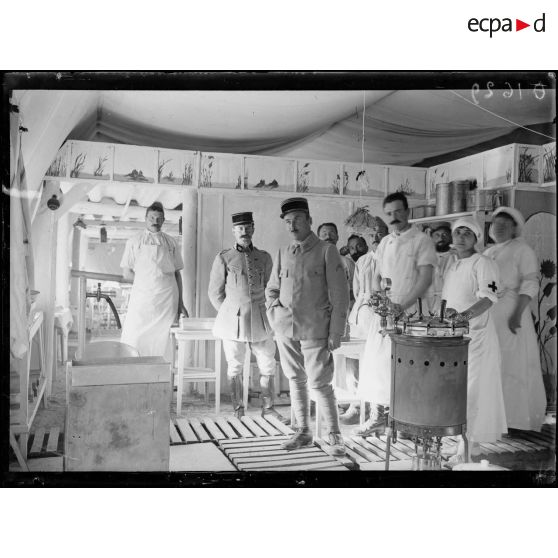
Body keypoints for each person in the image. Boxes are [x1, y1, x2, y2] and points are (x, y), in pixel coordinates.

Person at [266, 197, 350, 456]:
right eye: (288, 222)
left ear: (309, 220)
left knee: (319, 382)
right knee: (295, 379)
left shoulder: (327, 250)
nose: (292, 226)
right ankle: (303, 431)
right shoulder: (283, 251)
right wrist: (274, 314)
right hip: (286, 328)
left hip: (316, 328)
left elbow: (340, 296)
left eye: (297, 220)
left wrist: (336, 332)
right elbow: (272, 289)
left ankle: (334, 435)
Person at [354, 192, 437, 436]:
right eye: (389, 213)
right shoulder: (386, 242)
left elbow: (425, 279)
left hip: (411, 311)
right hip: (386, 312)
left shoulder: (421, 241)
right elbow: (379, 277)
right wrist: (380, 302)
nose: (394, 217)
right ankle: (378, 417)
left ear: (407, 211)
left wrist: (402, 306)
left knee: (407, 366)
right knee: (377, 364)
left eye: (398, 211)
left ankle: (405, 421)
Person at [208, 212, 287, 423]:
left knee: (267, 362)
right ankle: (238, 409)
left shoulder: (264, 257)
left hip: (261, 319)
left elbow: (273, 288)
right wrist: (229, 313)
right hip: (233, 321)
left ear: (253, 228)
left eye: (248, 227)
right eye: (240, 228)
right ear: (234, 231)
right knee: (234, 364)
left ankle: (268, 408)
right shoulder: (224, 258)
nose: (244, 231)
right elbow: (215, 293)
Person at [442, 216, 507, 463]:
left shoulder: (483, 262)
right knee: (458, 392)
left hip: (477, 337)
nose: (460, 237)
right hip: (457, 338)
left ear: (476, 239)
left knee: (473, 392)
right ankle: (467, 444)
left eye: (467, 233)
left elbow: (489, 298)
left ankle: (468, 449)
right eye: (457, 232)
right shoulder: (453, 264)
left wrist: (464, 317)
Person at [484, 207, 547, 432]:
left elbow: (530, 282)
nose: (498, 228)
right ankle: (496, 418)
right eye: (495, 225)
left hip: (512, 313)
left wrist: (517, 314)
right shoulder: (489, 252)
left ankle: (516, 420)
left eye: (504, 225)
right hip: (491, 314)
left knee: (513, 364)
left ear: (514, 229)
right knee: (494, 364)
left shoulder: (522, 250)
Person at [120, 201, 185, 360]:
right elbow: (127, 273)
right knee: (135, 335)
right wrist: (146, 282)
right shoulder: (134, 241)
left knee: (163, 339)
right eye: (152, 218)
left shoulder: (171, 242)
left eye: (159, 218)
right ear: (145, 218)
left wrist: (180, 303)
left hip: (167, 298)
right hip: (142, 298)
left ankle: (162, 373)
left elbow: (177, 274)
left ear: (163, 220)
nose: (155, 221)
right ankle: (135, 372)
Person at [341, 217, 389, 424]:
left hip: (383, 315)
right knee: (354, 360)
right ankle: (357, 404)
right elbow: (357, 290)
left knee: (378, 363)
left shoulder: (392, 258)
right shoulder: (363, 260)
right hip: (361, 313)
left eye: (380, 232)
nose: (376, 237)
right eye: (372, 234)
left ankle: (379, 410)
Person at [318, 222, 355, 307]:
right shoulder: (310, 263)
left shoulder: (347, 263)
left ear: (337, 237)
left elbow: (356, 291)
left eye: (332, 233)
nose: (328, 237)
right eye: (324, 234)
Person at [425, 224, 457, 315]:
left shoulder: (456, 256)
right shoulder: (426, 257)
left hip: (451, 304)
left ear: (450, 238)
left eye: (445, 235)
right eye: (437, 235)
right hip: (427, 303)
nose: (441, 238)